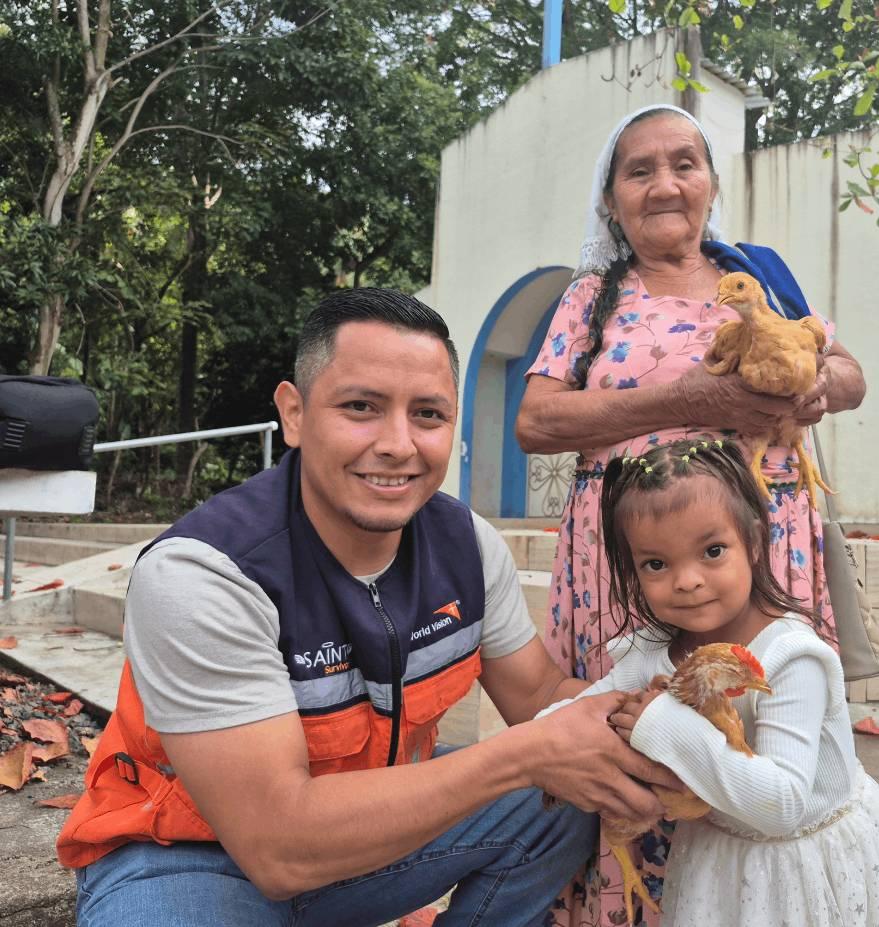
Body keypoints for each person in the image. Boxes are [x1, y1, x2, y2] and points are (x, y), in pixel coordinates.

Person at [56, 288, 685, 927]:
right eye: (361, 407)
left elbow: (544, 696)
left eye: (429, 415)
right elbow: (278, 846)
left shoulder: (466, 547)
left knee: (562, 798)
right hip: (187, 857)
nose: (397, 444)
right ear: (294, 414)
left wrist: (672, 727)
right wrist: (525, 754)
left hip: (365, 843)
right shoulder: (207, 573)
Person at [515, 104, 867, 925]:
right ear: (611, 200)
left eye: (684, 164)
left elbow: (849, 372)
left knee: (753, 723)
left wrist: (817, 387)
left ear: (711, 183)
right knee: (639, 721)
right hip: (633, 554)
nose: (665, 184)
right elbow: (536, 421)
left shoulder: (761, 276)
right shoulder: (591, 298)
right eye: (640, 171)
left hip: (755, 544)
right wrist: (686, 398)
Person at [540, 440, 879, 927]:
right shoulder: (651, 651)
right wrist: (533, 747)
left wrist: (662, 725)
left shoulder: (789, 657)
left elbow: (783, 804)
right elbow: (581, 713)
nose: (686, 580)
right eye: (656, 564)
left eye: (712, 551)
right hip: (717, 859)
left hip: (807, 862)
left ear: (753, 541)